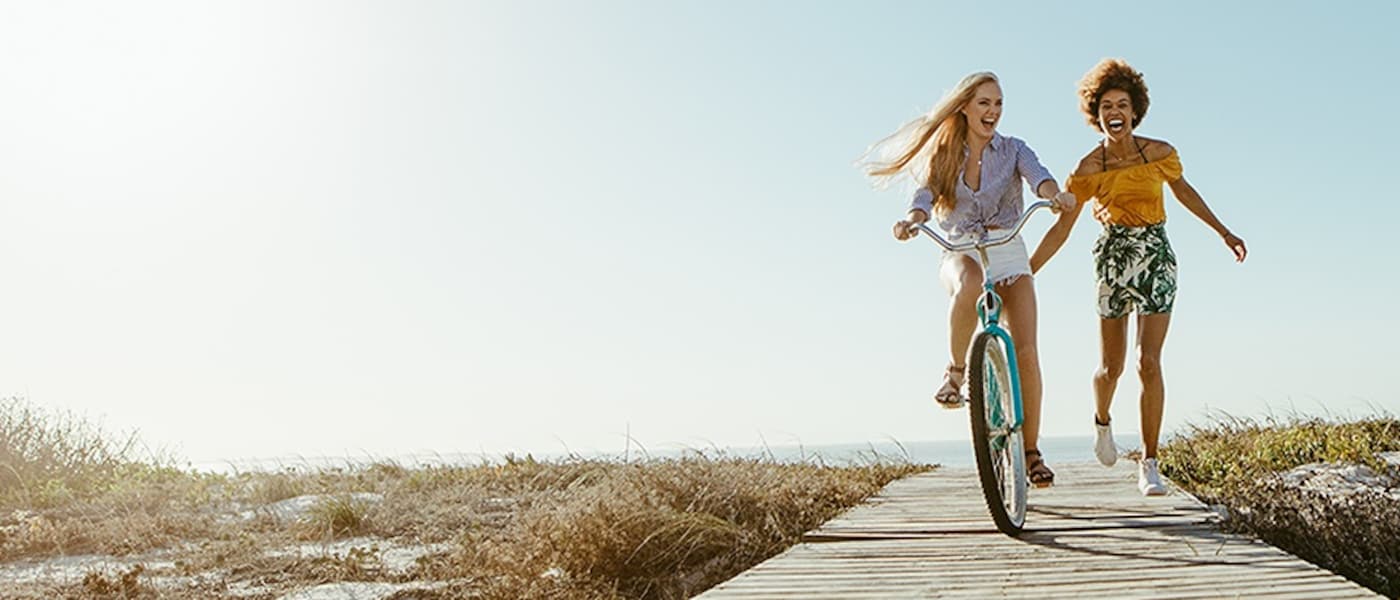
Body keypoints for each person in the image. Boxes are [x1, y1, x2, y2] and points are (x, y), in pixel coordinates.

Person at [1029, 58, 1247, 496]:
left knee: (1148, 362)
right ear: (1097, 114)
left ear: (1134, 110)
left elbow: (1184, 191)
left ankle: (1149, 461)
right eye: (1106, 104)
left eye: (1122, 104)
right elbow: (1062, 228)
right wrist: (1027, 271)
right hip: (1113, 256)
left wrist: (1223, 231)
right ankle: (1103, 421)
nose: (1115, 112)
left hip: (1157, 255)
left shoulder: (1160, 154)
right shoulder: (1089, 168)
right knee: (1112, 367)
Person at [863, 71, 1075, 487]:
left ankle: (1031, 453)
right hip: (960, 247)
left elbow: (1039, 176)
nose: (992, 111)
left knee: (1027, 353)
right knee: (971, 284)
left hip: (1008, 247)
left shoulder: (1014, 149)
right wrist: (913, 219)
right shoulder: (945, 154)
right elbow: (924, 195)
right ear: (965, 106)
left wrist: (1054, 196)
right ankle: (957, 371)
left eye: (998, 104)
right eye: (984, 103)